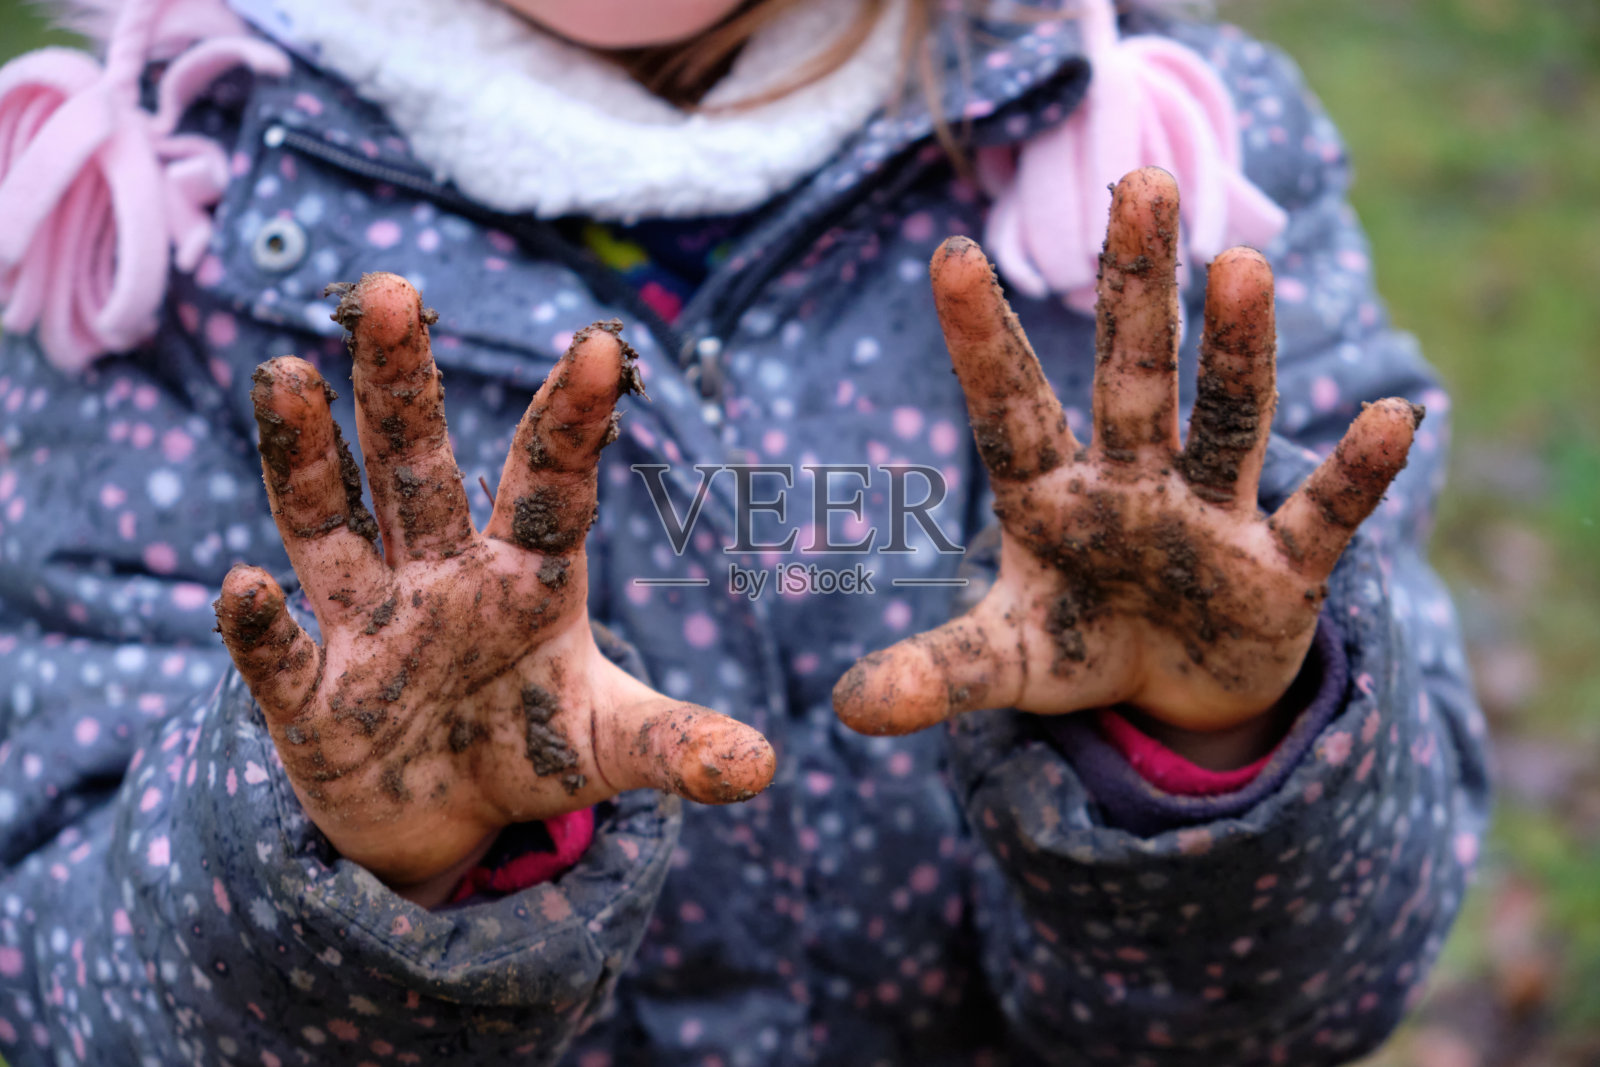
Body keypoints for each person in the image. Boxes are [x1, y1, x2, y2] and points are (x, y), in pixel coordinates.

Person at [0, 0, 1490, 1063]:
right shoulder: (145, 233)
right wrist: (355, 877)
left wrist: (1210, 754)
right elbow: (66, 991)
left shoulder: (1155, 145)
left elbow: (1296, 1009)